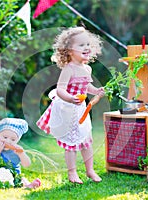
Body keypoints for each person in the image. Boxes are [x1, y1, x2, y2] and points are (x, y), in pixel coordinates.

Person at [36, 27, 105, 184]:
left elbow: (86, 87)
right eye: (81, 45)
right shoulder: (68, 69)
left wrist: (97, 91)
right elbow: (60, 89)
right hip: (67, 109)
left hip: (80, 110)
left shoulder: (87, 68)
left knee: (87, 139)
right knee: (71, 142)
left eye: (87, 44)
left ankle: (90, 171)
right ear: (69, 51)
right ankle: (72, 173)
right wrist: (70, 98)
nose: (86, 47)